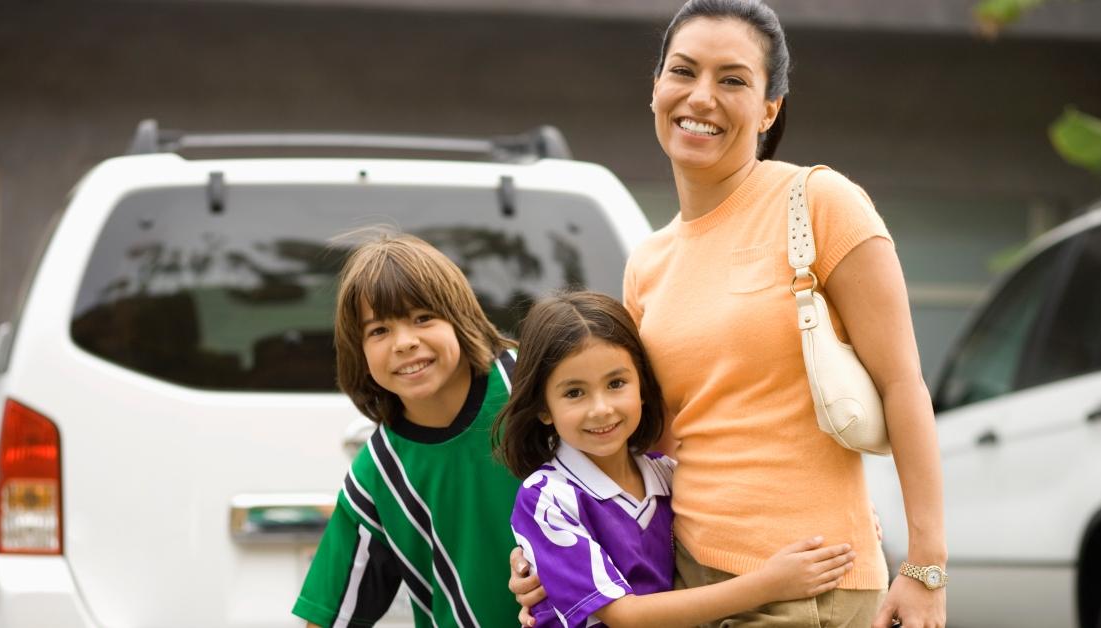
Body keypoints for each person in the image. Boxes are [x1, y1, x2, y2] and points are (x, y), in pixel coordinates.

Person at [511, 1, 947, 627]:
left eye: (733, 79)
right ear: (656, 89)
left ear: (770, 108)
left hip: (807, 582)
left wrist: (926, 565)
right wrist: (555, 554)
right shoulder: (649, 260)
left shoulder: (820, 203)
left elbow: (904, 384)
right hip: (683, 576)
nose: (701, 97)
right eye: (683, 72)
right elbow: (647, 440)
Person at [495, 291, 857, 628]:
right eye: (575, 392)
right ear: (543, 408)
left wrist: (838, 514)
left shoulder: (669, 476)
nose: (601, 409)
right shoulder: (547, 497)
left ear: (642, 387)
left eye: (616, 383)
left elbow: (752, 512)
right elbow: (625, 615)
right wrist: (768, 585)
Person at [293, 233, 522, 627]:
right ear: (359, 351)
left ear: (459, 317)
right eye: (379, 330)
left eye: (422, 318)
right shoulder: (378, 474)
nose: (404, 343)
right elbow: (327, 616)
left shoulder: (530, 387)